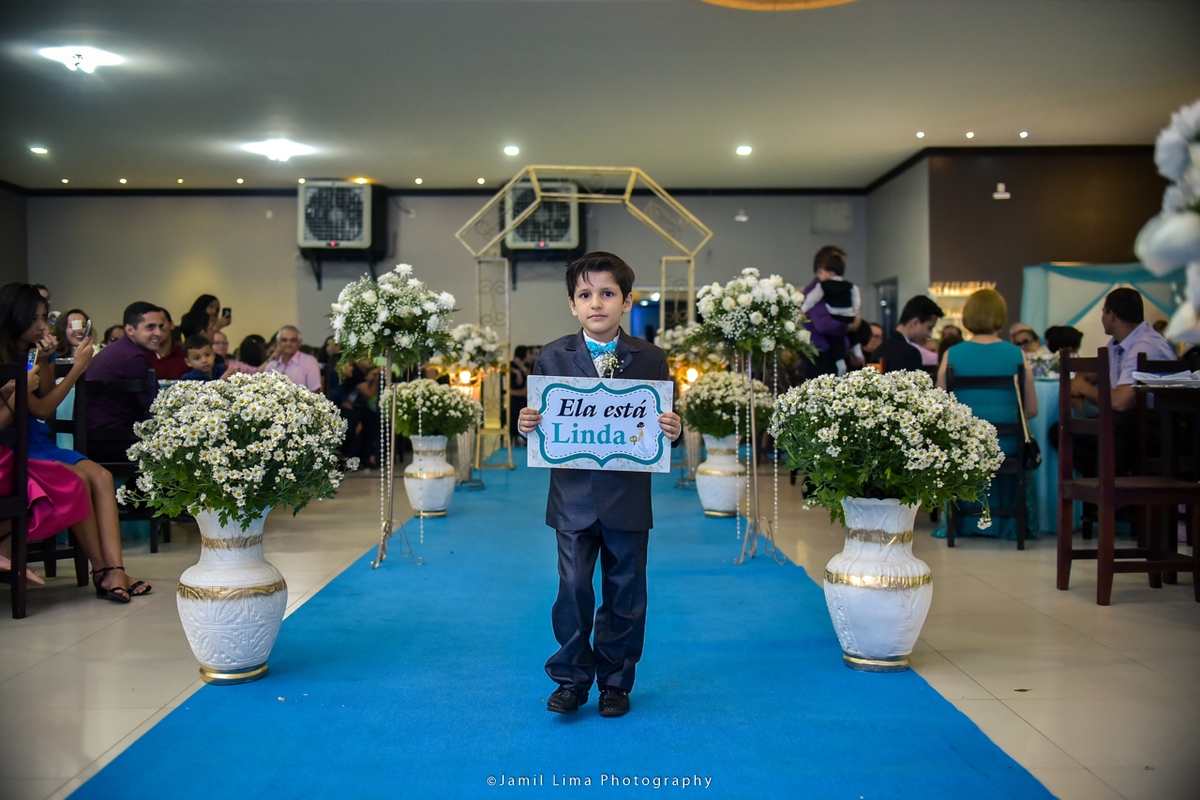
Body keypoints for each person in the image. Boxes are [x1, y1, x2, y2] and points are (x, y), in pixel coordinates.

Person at [517, 251, 682, 719]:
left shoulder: (651, 358)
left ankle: (615, 682)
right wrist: (525, 425)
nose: (596, 303)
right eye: (585, 294)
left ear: (626, 301)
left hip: (628, 498)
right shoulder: (552, 356)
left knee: (625, 592)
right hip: (571, 498)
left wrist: (674, 429)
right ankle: (570, 679)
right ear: (572, 304)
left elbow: (664, 424)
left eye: (607, 293)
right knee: (572, 589)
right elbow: (540, 425)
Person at [0, 284, 150, 600]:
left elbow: (44, 405)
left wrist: (50, 362)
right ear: (14, 317)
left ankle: (115, 568)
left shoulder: (33, 353)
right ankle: (103, 571)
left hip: (37, 436)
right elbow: (32, 408)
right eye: (35, 318)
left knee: (102, 476)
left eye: (44, 318)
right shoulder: (5, 358)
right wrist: (78, 368)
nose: (42, 326)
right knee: (80, 479)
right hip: (14, 444)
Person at [934, 289, 1038, 541]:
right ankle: (1009, 523)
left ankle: (962, 523)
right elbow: (1032, 410)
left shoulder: (952, 354)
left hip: (964, 445)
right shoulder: (1016, 354)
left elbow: (939, 409)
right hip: (1007, 445)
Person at [1068, 288, 1176, 474]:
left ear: (1112, 315)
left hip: (1160, 426)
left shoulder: (1145, 344)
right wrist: (1079, 382)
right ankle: (1102, 485)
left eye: (1103, 312)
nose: (1102, 318)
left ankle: (1112, 487)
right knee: (1061, 431)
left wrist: (1083, 389)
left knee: (1109, 422)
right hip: (1134, 422)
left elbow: (1119, 402)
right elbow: (1091, 373)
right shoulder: (1117, 343)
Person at [85, 301, 165, 435]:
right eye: (150, 327)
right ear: (129, 330)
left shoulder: (119, 350)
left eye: (161, 327)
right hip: (114, 437)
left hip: (95, 434)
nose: (159, 333)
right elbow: (157, 406)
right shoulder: (133, 356)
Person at [800, 246, 861, 376]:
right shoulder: (817, 291)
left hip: (836, 352)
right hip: (824, 358)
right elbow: (824, 325)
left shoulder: (839, 290)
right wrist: (850, 325)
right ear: (823, 267)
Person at [871, 296, 943, 373]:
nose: (929, 335)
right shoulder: (910, 353)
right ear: (915, 322)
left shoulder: (879, 350)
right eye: (929, 328)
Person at [261, 326, 321, 391]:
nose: (288, 344)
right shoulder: (271, 365)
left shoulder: (309, 362)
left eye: (293, 340)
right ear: (278, 342)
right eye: (284, 340)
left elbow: (315, 391)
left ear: (299, 342)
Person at [152, 309, 188, 380]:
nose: (157, 331)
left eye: (161, 325)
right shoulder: (142, 357)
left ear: (171, 324)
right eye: (151, 327)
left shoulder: (185, 355)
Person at [508, 345, 529, 443]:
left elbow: (529, 375)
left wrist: (521, 368)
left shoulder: (526, 366)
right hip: (515, 398)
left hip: (522, 397)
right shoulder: (511, 366)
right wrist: (516, 371)